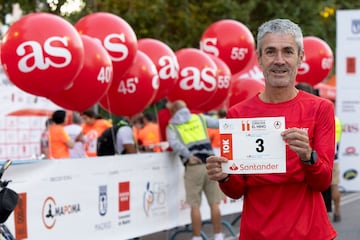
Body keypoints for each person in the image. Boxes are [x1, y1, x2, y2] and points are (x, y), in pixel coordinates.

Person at [206, 19, 337, 239]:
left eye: (287, 51)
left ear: (300, 57)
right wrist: (225, 176)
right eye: (270, 52)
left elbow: (322, 182)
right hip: (257, 233)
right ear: (259, 57)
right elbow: (236, 190)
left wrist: (308, 157)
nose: (279, 61)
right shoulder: (237, 114)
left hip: (310, 233)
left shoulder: (320, 109)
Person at [166, 100, 224, 240]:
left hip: (193, 167)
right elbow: (219, 124)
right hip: (211, 164)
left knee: (195, 205)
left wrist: (189, 155)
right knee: (214, 203)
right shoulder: (199, 118)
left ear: (173, 111)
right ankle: (218, 235)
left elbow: (174, 144)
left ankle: (197, 237)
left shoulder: (172, 126)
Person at [295, 82, 332, 213]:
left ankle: (328, 214)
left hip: (319, 166)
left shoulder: (322, 109)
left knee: (324, 191)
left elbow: (324, 179)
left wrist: (308, 156)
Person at [332, 115, 342, 222]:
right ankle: (337, 211)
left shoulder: (327, 118)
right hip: (334, 159)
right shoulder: (338, 120)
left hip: (324, 157)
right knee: (334, 186)